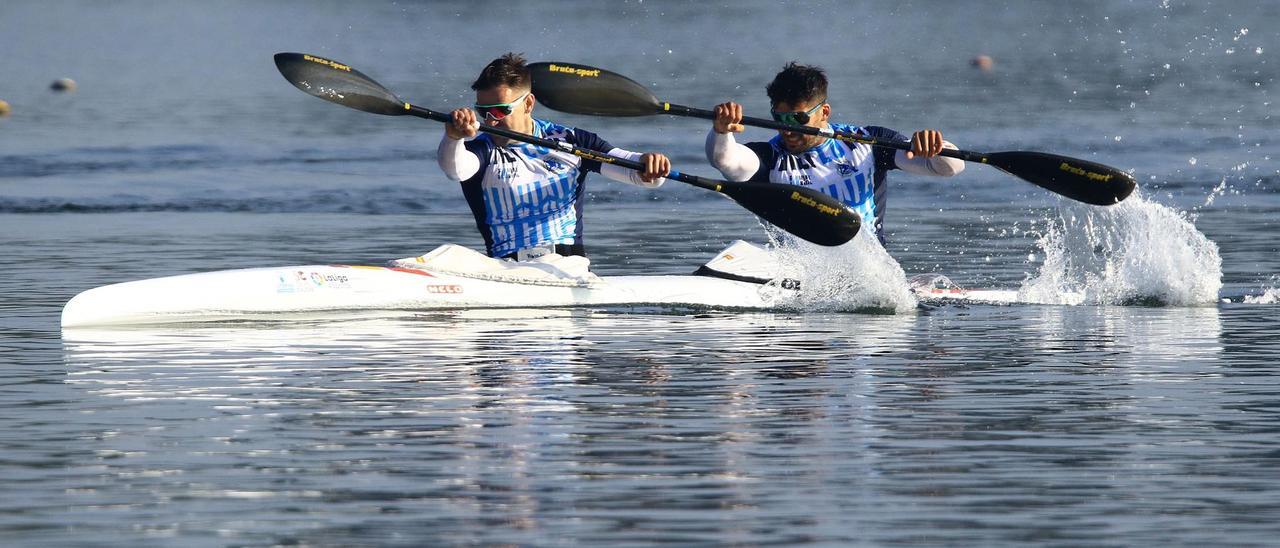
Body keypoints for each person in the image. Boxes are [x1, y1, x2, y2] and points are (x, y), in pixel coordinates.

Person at [438, 53, 671, 260]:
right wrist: (453, 137)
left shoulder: (571, 141)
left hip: (568, 269)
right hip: (505, 272)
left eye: (500, 110)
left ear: (528, 103)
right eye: (483, 112)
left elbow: (639, 175)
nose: (490, 121)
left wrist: (650, 164)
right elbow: (455, 169)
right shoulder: (482, 151)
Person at [706, 62, 965, 244]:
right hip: (799, 274)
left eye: (797, 118)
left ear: (824, 113)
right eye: (779, 118)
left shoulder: (867, 145)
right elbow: (725, 160)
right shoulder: (769, 158)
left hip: (869, 273)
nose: (788, 130)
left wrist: (936, 149)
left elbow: (948, 169)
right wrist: (721, 131)